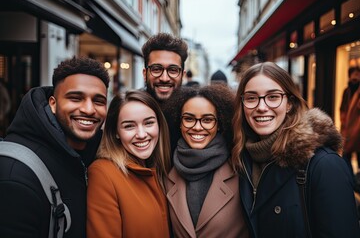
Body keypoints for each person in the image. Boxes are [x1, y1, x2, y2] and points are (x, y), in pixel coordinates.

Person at [231, 61, 360, 237]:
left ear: (290, 103)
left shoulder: (324, 164)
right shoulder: (241, 160)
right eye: (251, 98)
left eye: (273, 97)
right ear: (242, 105)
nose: (261, 107)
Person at [0, 57, 109, 237]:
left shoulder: (94, 156)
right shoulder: (15, 175)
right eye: (76, 98)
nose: (89, 109)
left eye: (99, 101)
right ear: (53, 103)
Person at [163, 84, 249, 237]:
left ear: (219, 124)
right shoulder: (166, 170)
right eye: (189, 119)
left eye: (207, 120)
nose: (197, 127)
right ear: (179, 123)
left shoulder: (240, 167)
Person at [87, 90, 171, 237]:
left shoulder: (159, 169)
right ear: (116, 132)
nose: (142, 134)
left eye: (149, 123)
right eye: (129, 126)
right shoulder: (103, 173)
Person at [142, 32, 188, 106]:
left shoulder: (191, 112)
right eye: (156, 69)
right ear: (145, 74)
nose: (164, 79)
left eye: (173, 70)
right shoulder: (129, 111)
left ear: (182, 75)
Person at [340, 66, 360, 175]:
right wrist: (343, 122)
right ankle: (351, 178)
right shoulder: (347, 91)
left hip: (358, 128)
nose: (355, 77)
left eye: (357, 74)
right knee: (346, 155)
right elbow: (342, 108)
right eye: (354, 74)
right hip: (347, 128)